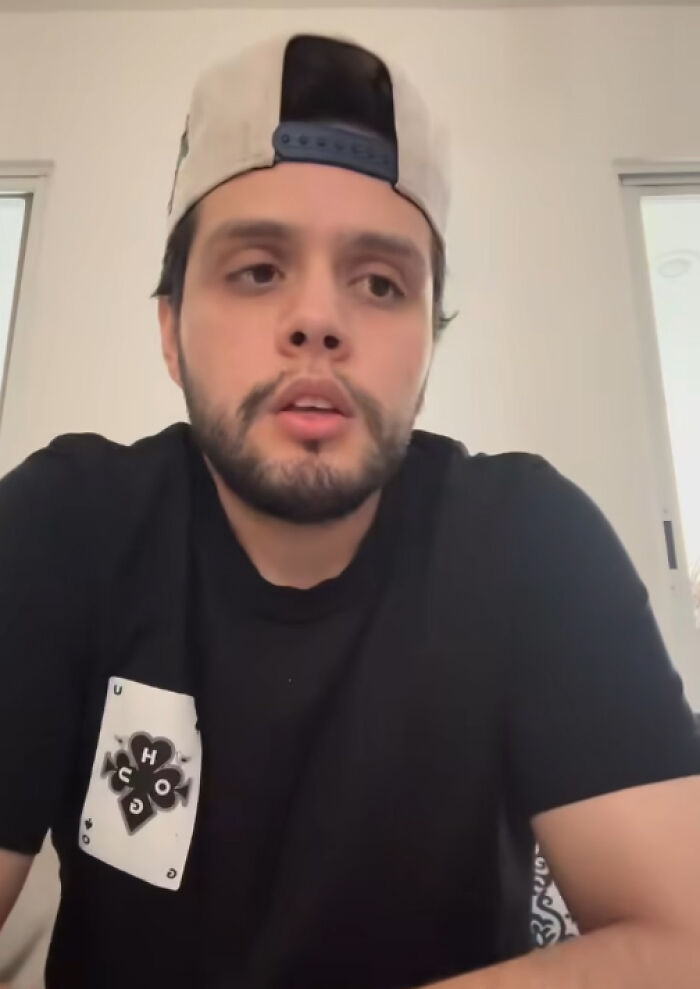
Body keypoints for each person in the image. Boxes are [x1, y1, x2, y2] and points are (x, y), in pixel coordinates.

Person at [0, 31, 698, 989]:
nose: (319, 320)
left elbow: (682, 938)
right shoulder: (61, 527)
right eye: (258, 270)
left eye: (380, 283)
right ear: (170, 331)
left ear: (428, 345)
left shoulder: (533, 544)